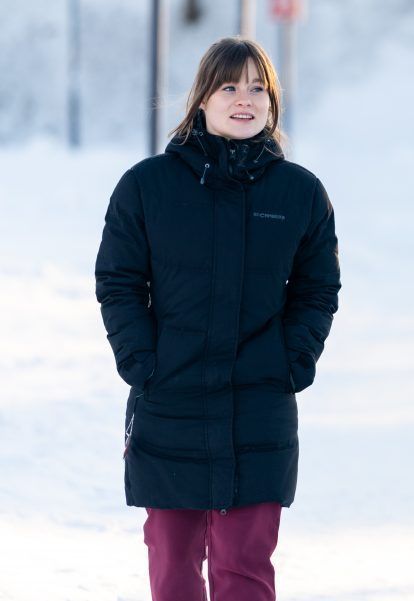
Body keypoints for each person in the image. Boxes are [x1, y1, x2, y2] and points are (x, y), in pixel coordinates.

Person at [96, 36, 341, 601]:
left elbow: (317, 288)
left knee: (244, 568)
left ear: (273, 103)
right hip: (170, 396)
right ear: (202, 98)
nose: (245, 99)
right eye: (230, 85)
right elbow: (119, 280)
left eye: (259, 88)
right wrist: (141, 361)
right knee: (173, 564)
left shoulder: (300, 193)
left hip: (260, 403)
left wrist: (293, 358)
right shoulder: (147, 186)